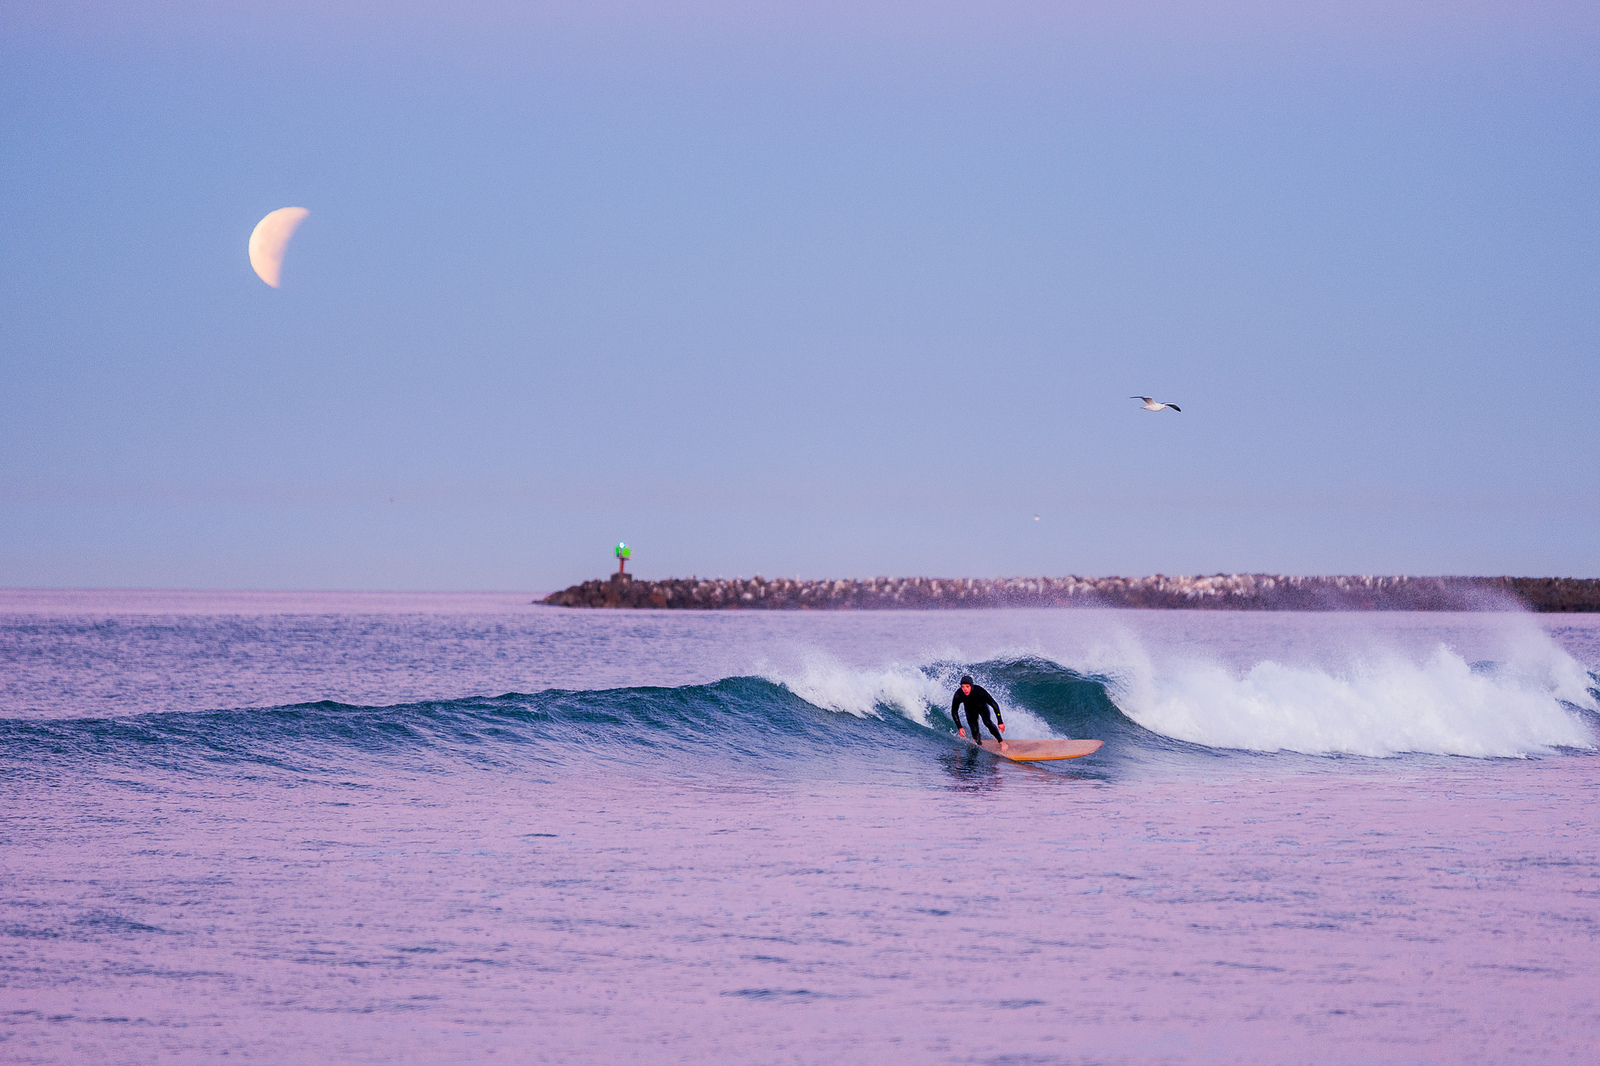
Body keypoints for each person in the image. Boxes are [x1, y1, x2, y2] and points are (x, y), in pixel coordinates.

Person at [951, 675, 1006, 752]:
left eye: (967, 686)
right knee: (974, 729)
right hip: (970, 710)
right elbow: (954, 711)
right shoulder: (958, 694)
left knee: (987, 722)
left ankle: (1001, 742)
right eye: (963, 687)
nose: (965, 689)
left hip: (982, 707)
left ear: (971, 686)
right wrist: (960, 727)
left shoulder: (979, 691)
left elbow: (994, 704)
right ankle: (979, 744)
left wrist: (1000, 721)